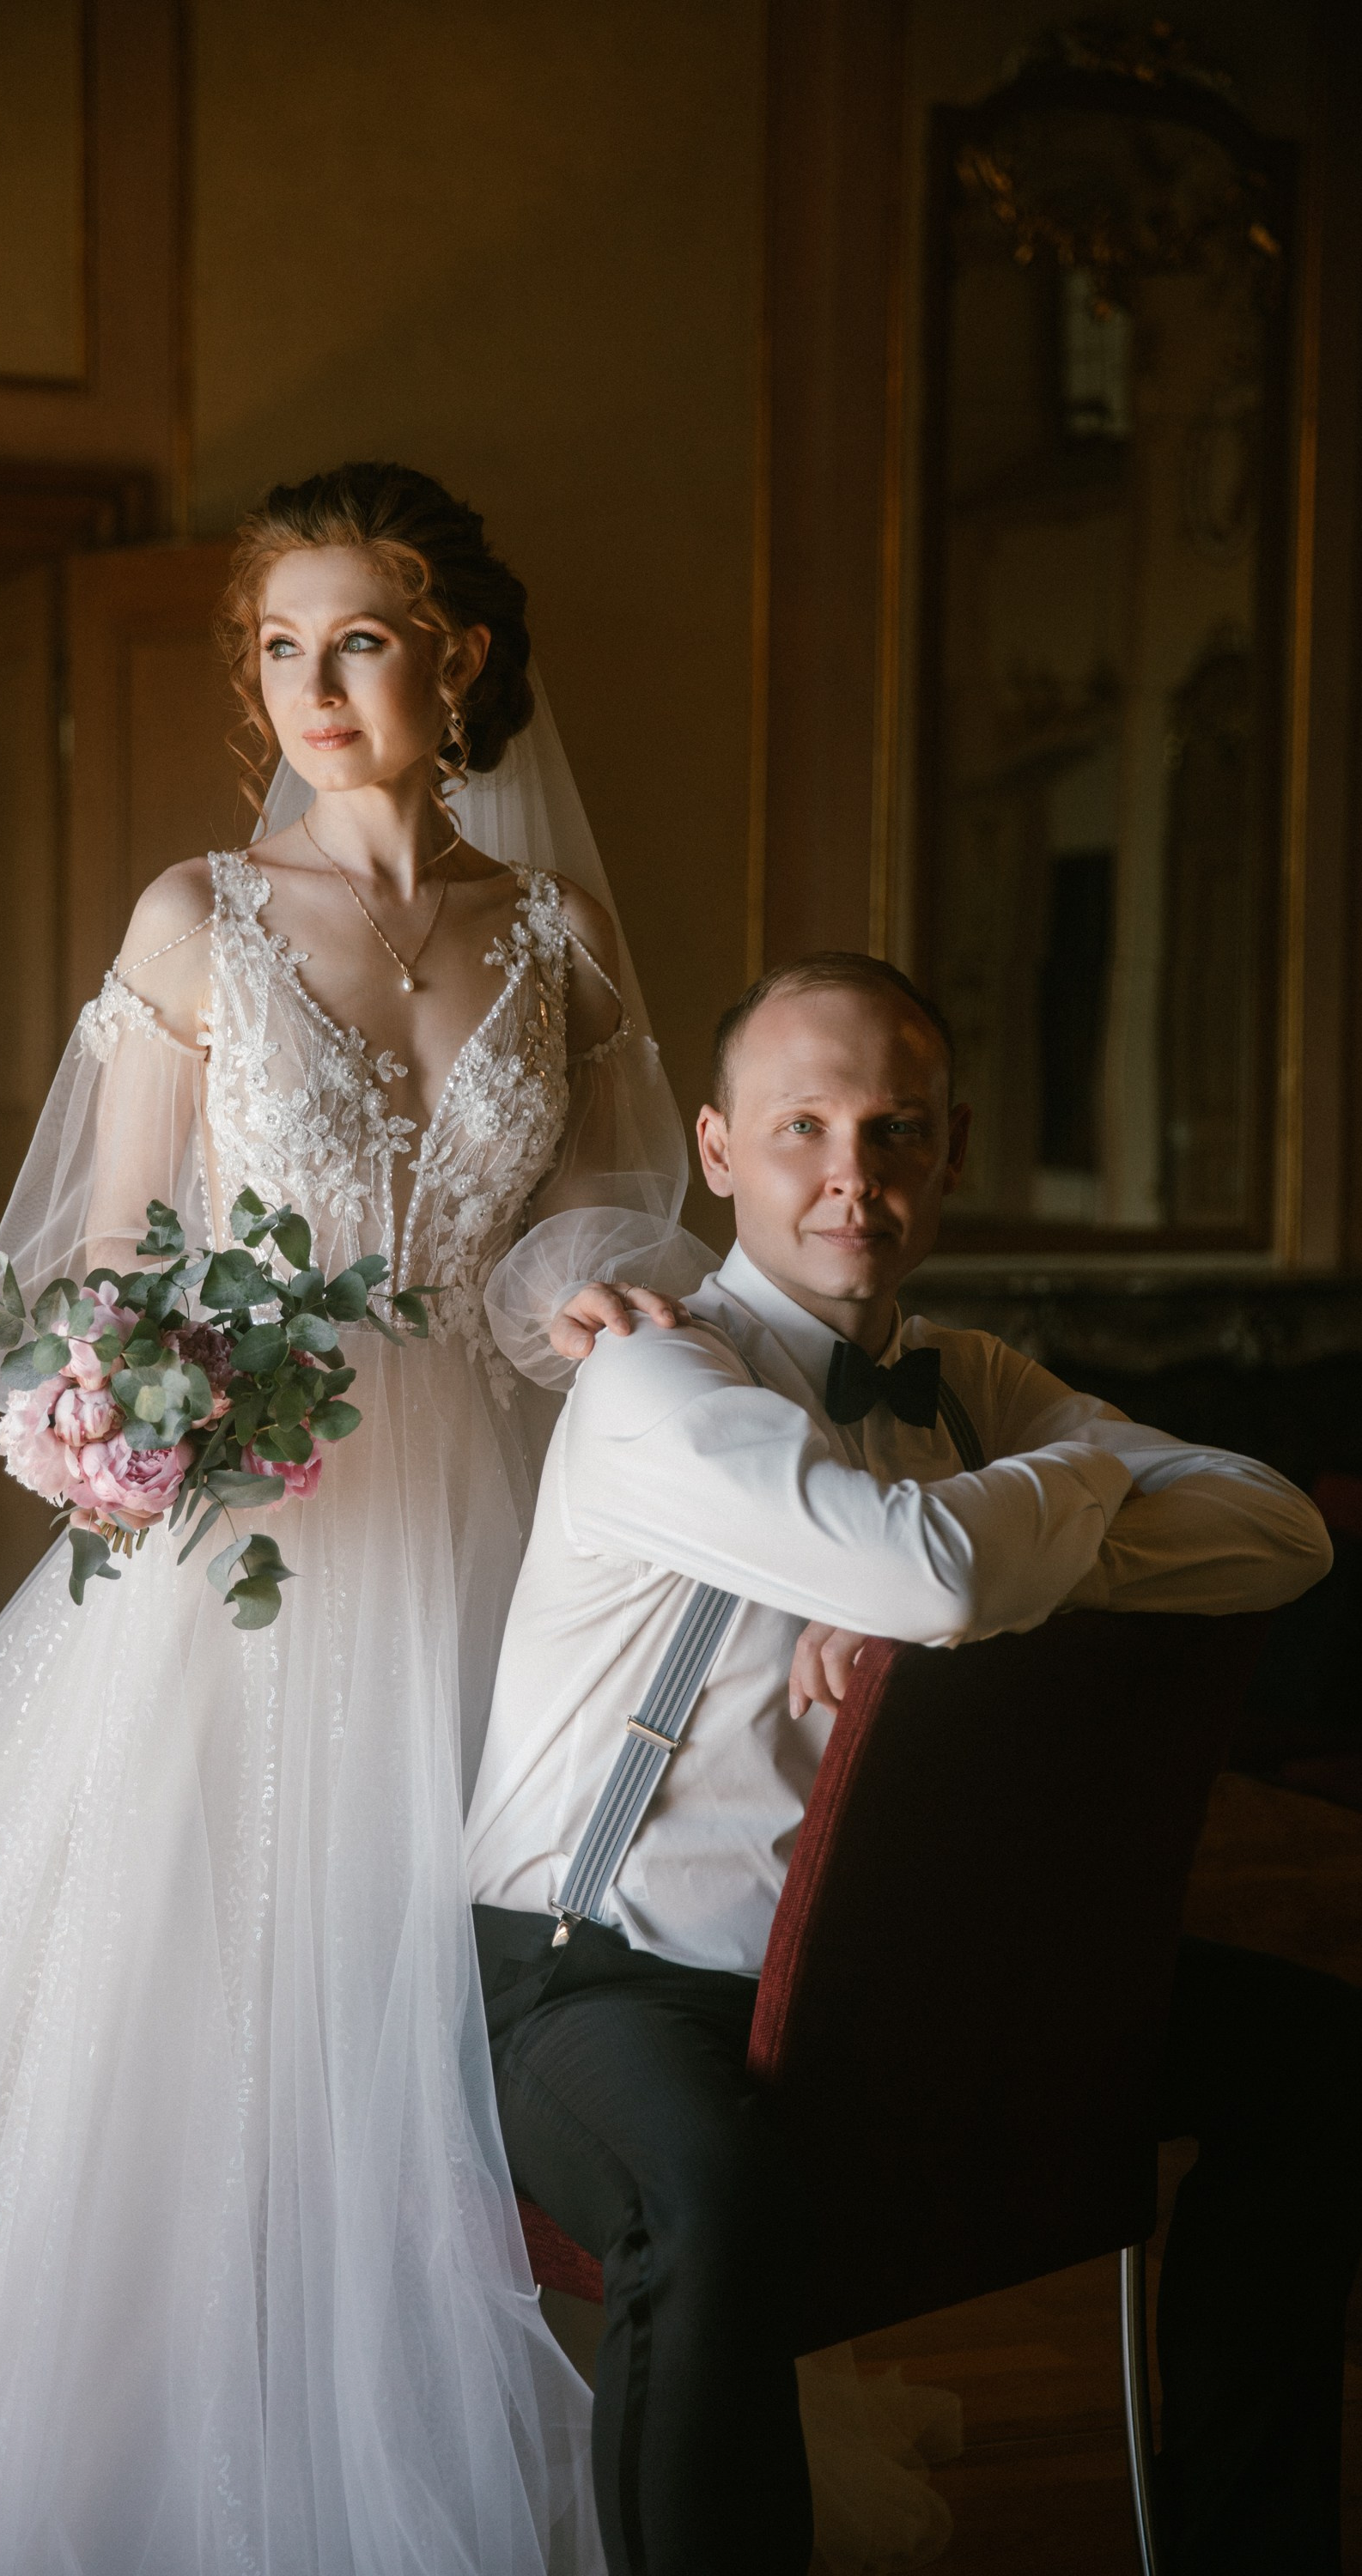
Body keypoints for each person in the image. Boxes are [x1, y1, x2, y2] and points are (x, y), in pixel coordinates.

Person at [0, 463, 689, 2573]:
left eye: (360, 640)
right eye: (280, 647)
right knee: (198, 1962)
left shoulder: (552, 932)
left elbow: (578, 1229)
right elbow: (92, 1266)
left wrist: (595, 1301)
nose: (312, 685)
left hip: (491, 1515)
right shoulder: (195, 917)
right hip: (260, 1518)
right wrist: (118, 1398)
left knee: (447, 1971)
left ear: (458, 656)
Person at [468, 951, 1357, 2576]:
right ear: (722, 1150)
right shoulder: (653, 1381)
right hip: (603, 1976)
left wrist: (1010, 1520)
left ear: (949, 1152)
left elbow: (1277, 1529)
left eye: (894, 1131)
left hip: (890, 1971)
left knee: (1320, 2062)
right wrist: (1008, 1544)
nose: (851, 1176)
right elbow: (934, 1576)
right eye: (802, 1126)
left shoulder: (979, 1389)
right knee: (713, 2208)